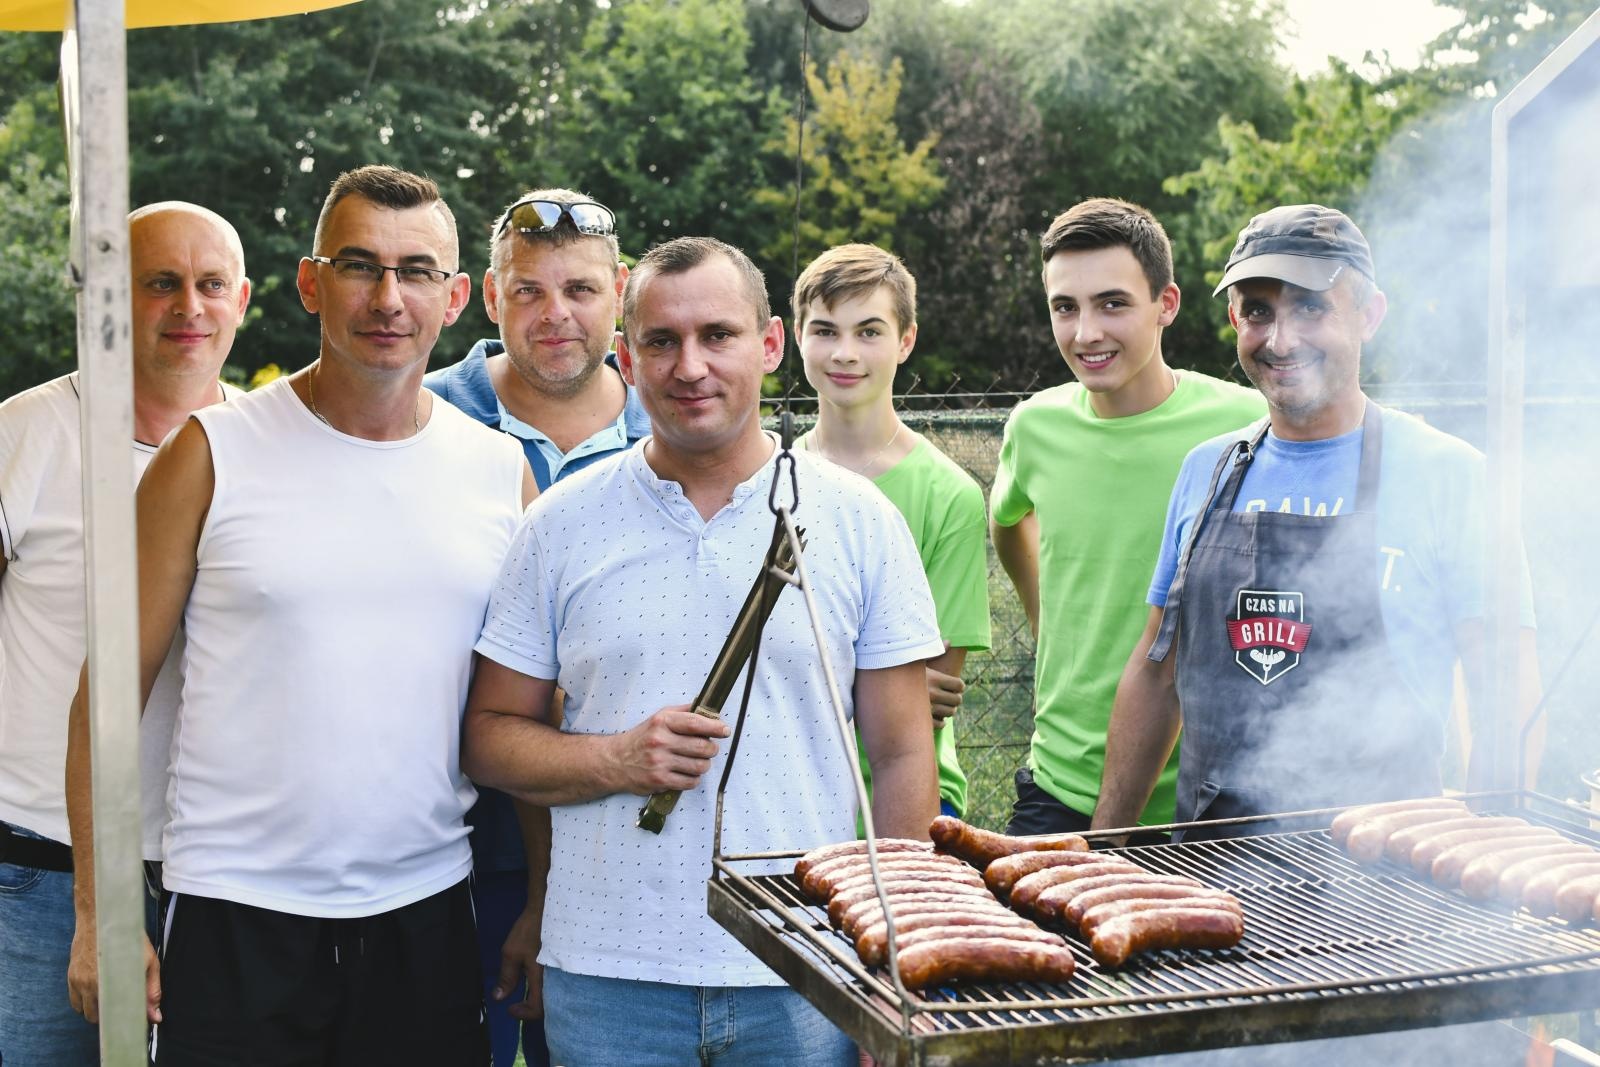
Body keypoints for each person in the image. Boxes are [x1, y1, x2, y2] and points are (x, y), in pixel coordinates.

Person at [63, 165, 536, 1065]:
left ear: (457, 295)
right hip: (236, 915)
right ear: (311, 281)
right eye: (360, 265)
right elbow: (106, 699)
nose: (388, 297)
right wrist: (103, 912)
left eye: (417, 271)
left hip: (425, 912)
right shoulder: (210, 454)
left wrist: (544, 902)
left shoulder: (496, 471)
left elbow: (523, 712)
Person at [462, 236, 943, 1067]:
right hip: (608, 976)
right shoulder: (560, 524)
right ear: (626, 355)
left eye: (717, 335)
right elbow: (489, 734)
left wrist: (890, 963)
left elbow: (902, 754)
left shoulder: (862, 520)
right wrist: (617, 757)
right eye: (661, 340)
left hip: (808, 968)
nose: (690, 366)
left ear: (769, 345)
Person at [1094, 204, 1541, 838]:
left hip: (1390, 879)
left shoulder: (1451, 474)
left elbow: (1504, 685)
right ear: (1233, 320)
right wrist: (1103, 845)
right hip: (1210, 872)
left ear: (1369, 315)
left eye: (1311, 307)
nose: (1280, 340)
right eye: (1258, 311)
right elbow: (1155, 670)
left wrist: (1490, 857)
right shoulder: (1207, 471)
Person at [0, 203, 249, 1066]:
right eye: (159, 284)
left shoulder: (263, 451)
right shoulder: (27, 434)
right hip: (35, 875)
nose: (189, 306)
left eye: (210, 283)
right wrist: (87, 910)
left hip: (218, 883)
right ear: (111, 297)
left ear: (243, 300)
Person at [424, 187, 647, 1067]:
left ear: (620, 290)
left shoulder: (674, 427)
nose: (556, 314)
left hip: (618, 837)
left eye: (582, 289)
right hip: (444, 846)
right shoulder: (420, 416)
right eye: (529, 290)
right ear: (488, 294)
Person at [990, 197, 1264, 841]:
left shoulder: (1245, 424)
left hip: (1208, 796)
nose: (1085, 332)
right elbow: (1006, 523)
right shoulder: (1034, 427)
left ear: (1165, 304)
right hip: (1059, 781)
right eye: (1065, 307)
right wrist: (1045, 617)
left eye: (1112, 303)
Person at [791, 242, 990, 822]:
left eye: (869, 331)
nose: (845, 353)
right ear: (796, 337)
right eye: (825, 330)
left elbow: (924, 702)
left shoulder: (948, 495)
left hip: (906, 794)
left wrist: (808, 684)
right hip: (796, 785)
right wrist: (878, 686)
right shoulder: (769, 479)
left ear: (905, 341)